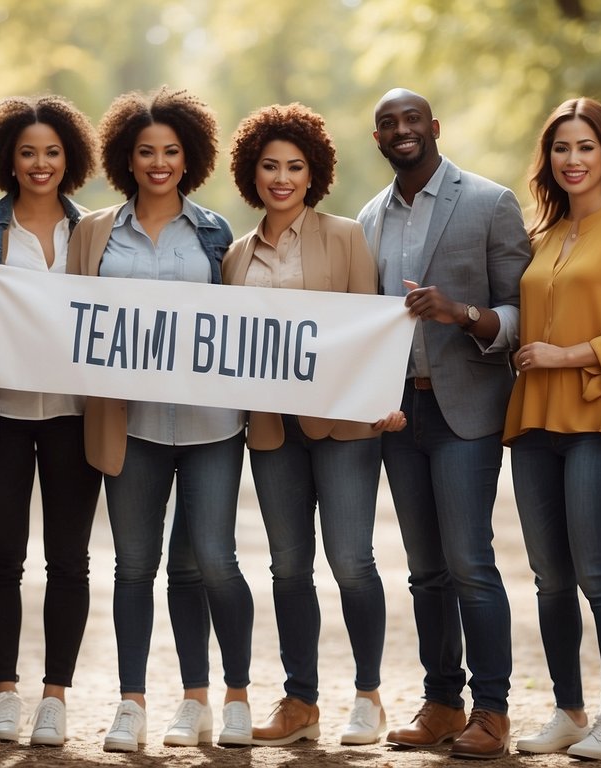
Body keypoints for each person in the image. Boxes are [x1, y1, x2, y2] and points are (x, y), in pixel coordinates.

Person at [64, 86, 255, 752]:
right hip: (131, 425)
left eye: (171, 151)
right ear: (126, 157)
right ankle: (131, 703)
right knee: (134, 565)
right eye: (146, 151)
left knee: (211, 560)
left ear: (191, 156)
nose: (158, 162)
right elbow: (63, 318)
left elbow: (246, 328)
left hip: (212, 427)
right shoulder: (93, 233)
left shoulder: (214, 234)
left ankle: (222, 700)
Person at [221, 102, 406, 748]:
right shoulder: (236, 256)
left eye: (294, 167)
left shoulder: (346, 236)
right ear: (252, 173)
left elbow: (371, 325)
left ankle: (368, 694)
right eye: (270, 166)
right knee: (288, 567)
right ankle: (301, 702)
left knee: (352, 561)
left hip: (344, 426)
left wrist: (383, 394)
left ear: (313, 173)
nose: (282, 177)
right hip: (271, 432)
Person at [355, 88, 530, 759]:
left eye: (410, 120)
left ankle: (492, 712)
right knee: (424, 571)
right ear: (378, 137)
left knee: (468, 562)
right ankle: (440, 702)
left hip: (467, 411)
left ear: (433, 127)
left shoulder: (489, 201)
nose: (400, 131)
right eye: (386, 123)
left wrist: (461, 313)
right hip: (401, 416)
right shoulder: (368, 220)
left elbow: (519, 315)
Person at [502, 97, 601, 761]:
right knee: (549, 577)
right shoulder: (539, 234)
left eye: (585, 147)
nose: (573, 160)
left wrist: (563, 356)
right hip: (534, 418)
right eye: (561, 149)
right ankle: (568, 712)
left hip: (599, 417)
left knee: (599, 571)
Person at [0, 95, 103, 747]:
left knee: (69, 559)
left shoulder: (96, 231)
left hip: (73, 417)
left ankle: (56, 697)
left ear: (71, 158)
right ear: (8, 158)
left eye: (52, 152)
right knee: (2, 557)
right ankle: (5, 693)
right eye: (28, 152)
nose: (40, 164)